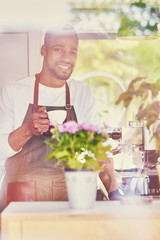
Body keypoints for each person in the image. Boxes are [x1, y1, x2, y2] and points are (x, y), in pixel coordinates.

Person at [0, 25, 120, 211]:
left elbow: (97, 149)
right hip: (22, 201)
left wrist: (114, 192)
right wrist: (27, 130)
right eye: (58, 49)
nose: (67, 57)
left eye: (73, 51)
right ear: (43, 50)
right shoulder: (13, 91)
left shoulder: (82, 92)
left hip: (71, 200)